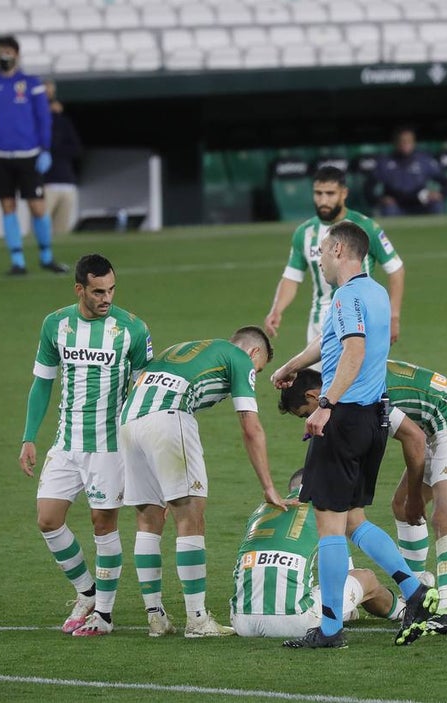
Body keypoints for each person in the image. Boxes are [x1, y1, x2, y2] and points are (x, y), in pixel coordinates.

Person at [270, 220, 439, 649]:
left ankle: (329, 630)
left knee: (329, 526)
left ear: (341, 250)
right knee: (354, 521)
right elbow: (329, 343)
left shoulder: (345, 296)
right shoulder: (376, 293)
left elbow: (354, 348)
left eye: (324, 251)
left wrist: (324, 406)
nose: (320, 258)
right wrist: (291, 366)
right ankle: (414, 590)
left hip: (342, 419)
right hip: (374, 419)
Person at [278, 359, 447, 635]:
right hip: (432, 425)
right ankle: (416, 591)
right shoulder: (344, 376)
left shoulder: (357, 392)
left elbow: (413, 439)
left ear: (313, 396)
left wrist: (415, 494)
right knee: (401, 506)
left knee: (444, 511)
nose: (310, 421)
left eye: (305, 413)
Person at [119, 326, 290, 638]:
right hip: (169, 417)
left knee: (147, 519)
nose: (253, 373)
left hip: (130, 421)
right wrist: (268, 486)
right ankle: (197, 620)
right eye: (258, 367)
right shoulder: (239, 358)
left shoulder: (188, 346)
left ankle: (155, 617)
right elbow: (251, 428)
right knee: (191, 517)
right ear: (252, 353)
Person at [16, 253, 153, 637]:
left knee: (102, 525)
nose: (106, 297)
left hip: (110, 446)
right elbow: (42, 382)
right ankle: (88, 592)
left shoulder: (132, 330)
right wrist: (29, 435)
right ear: (79, 289)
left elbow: (145, 391)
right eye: (97, 291)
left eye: (111, 289)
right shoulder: (55, 325)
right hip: (66, 442)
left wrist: (142, 445)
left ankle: (104, 617)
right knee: (47, 519)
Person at [230, 469, 406, 638]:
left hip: (242, 621)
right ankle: (403, 609)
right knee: (367, 578)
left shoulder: (261, 510)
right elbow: (343, 574)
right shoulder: (327, 510)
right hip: (296, 621)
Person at [264, 165, 405, 349]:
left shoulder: (366, 227)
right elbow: (291, 277)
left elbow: (396, 270)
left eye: (330, 194)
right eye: (318, 193)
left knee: (353, 376)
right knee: (317, 379)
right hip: (319, 325)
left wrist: (393, 316)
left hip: (359, 319)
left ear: (344, 193)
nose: (323, 200)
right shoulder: (304, 233)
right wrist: (277, 309)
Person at [0, 35, 66, 276]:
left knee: (37, 206)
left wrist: (45, 149)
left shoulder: (32, 84)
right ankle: (18, 261)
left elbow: (43, 119)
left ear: (17, 54)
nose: (4, 55)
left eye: (8, 51)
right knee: (7, 206)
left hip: (28, 154)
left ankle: (46, 255)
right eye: (0, 51)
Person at [364, 126, 447, 215]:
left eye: (409, 141)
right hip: (396, 205)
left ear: (414, 143)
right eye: (402, 141)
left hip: (421, 203)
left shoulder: (424, 160)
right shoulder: (384, 162)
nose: (405, 144)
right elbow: (368, 188)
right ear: (395, 143)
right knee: (388, 209)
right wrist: (380, 199)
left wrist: (440, 194)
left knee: (436, 205)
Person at [43, 79, 83, 235]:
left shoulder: (62, 121)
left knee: (62, 232)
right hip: (45, 184)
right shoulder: (33, 122)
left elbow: (76, 149)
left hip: (66, 181)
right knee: (40, 232)